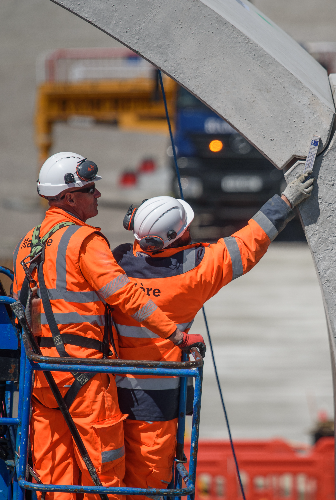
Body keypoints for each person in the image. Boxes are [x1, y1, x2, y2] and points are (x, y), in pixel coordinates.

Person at [12, 152, 204, 500]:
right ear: (70, 198)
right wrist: (176, 333)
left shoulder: (28, 242)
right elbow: (125, 296)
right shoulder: (85, 241)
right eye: (90, 190)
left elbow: (20, 312)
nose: (98, 195)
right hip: (85, 375)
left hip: (41, 377)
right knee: (103, 473)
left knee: (52, 476)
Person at [111, 172, 315, 496]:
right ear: (177, 235)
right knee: (149, 484)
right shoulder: (194, 273)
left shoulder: (113, 265)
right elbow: (249, 243)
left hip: (103, 394)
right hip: (155, 406)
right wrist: (286, 201)